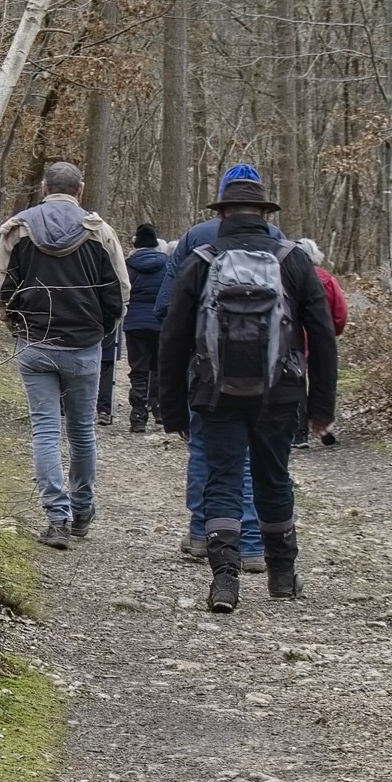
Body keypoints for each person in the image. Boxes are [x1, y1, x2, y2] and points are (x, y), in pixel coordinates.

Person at [157, 166, 337, 611]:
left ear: (221, 214)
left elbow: (173, 338)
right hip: (280, 393)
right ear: (262, 212)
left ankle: (224, 582)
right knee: (273, 479)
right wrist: (321, 408)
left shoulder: (201, 260)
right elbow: (323, 334)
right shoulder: (293, 260)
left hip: (214, 392)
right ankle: (282, 576)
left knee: (222, 479)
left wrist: (173, 409)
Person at [0, 160, 126, 549]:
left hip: (35, 342)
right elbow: (118, 291)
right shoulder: (99, 232)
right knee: (82, 432)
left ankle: (57, 519)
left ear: (44, 188)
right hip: (84, 344)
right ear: (80, 189)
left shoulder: (18, 229)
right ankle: (82, 511)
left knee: (45, 430)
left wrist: (17, 323)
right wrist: (102, 329)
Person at [165, 165, 286, 570]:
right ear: (263, 209)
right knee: (255, 458)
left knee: (208, 451)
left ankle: (204, 534)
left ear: (220, 206)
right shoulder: (281, 247)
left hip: (209, 370)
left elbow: (169, 308)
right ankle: (252, 545)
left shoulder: (197, 242)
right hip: (271, 375)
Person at [296, 239, 351, 446]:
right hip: (321, 335)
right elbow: (340, 312)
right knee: (323, 378)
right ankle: (322, 424)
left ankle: (298, 431)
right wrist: (333, 331)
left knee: (295, 379)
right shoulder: (327, 279)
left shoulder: (287, 278)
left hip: (293, 336)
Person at [121, 222, 170, 434]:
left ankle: (138, 417)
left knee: (139, 369)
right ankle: (159, 410)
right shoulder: (168, 265)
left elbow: (122, 292)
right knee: (159, 367)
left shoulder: (127, 265)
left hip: (135, 323)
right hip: (160, 323)